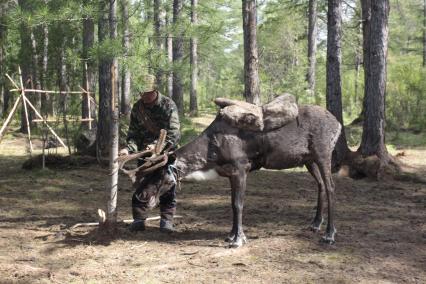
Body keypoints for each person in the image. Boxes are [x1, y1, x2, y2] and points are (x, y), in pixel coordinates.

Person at [119, 77, 180, 233]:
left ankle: (166, 221)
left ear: (155, 90)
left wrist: (157, 147)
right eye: (142, 92)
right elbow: (133, 134)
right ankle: (139, 220)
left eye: (147, 92)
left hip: (165, 155)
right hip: (144, 156)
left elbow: (174, 135)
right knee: (142, 187)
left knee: (167, 186)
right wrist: (128, 149)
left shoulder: (168, 105)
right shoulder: (138, 108)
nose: (144, 96)